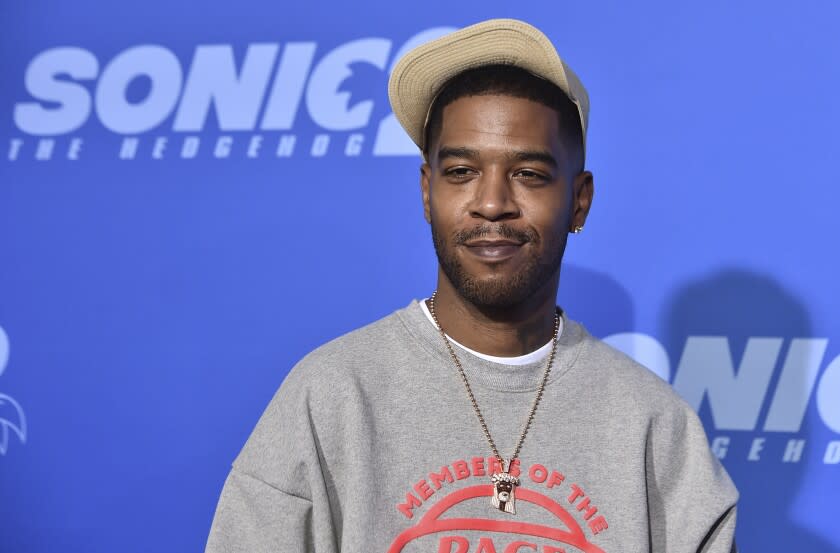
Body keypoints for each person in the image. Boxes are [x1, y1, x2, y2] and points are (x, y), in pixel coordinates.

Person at [205, 18, 738, 553]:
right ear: (425, 191)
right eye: (461, 171)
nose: (491, 203)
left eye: (529, 174)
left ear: (579, 200)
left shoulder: (654, 425)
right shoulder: (330, 396)